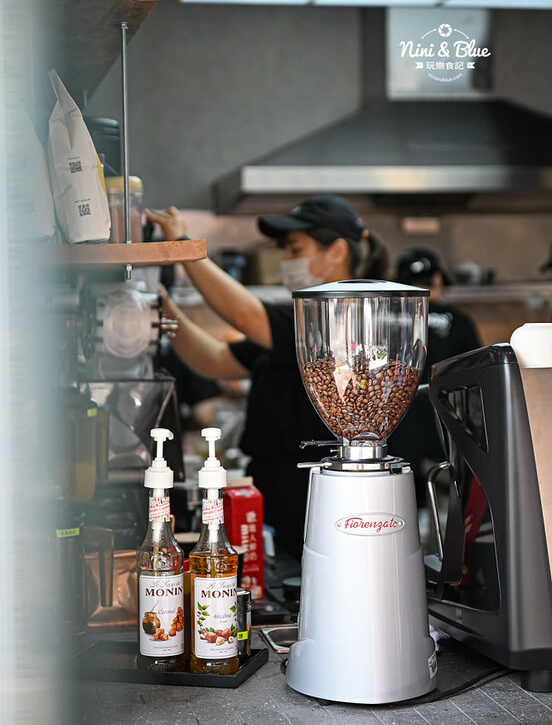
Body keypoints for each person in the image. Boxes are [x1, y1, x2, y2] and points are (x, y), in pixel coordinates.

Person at [145, 195, 389, 561]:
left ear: (337, 251)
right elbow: (214, 360)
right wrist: (161, 307)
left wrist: (183, 247)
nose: (287, 261)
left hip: (311, 496)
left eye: (295, 248)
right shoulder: (292, 324)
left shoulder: (344, 322)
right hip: (274, 495)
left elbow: (244, 315)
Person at [388, 247, 481, 505]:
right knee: (446, 520)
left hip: (396, 441)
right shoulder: (459, 322)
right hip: (446, 441)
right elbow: (477, 386)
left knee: (401, 515)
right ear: (438, 278)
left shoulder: (385, 321)